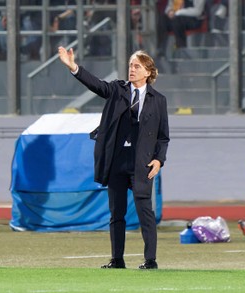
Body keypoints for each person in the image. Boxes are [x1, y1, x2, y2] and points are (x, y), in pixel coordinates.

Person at [58, 46, 170, 269]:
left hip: (142, 162)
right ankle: (117, 259)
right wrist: (74, 67)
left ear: (148, 71)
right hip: (117, 160)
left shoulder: (159, 100)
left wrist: (159, 160)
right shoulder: (118, 90)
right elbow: (97, 84)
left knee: (144, 211)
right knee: (116, 213)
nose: (131, 69)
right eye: (130, 65)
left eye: (137, 66)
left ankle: (150, 260)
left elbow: (163, 136)